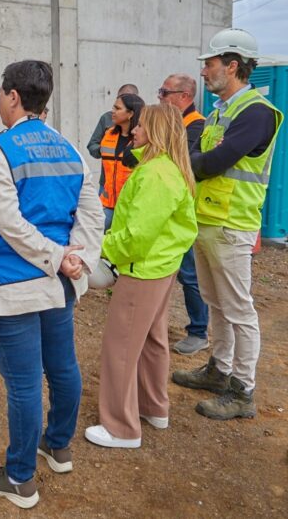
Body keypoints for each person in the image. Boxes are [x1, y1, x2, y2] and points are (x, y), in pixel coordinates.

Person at [0, 60, 103, 509]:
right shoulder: (71, 149)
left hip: (13, 285)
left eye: (0, 93)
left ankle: (21, 478)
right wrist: (77, 258)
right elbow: (92, 215)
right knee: (62, 367)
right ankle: (57, 446)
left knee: (23, 384)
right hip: (60, 285)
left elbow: (8, 222)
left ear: (13, 97)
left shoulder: (0, 148)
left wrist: (59, 257)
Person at [172, 28, 283, 420]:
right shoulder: (221, 110)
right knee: (216, 303)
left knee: (238, 310)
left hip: (232, 225)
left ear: (233, 65)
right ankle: (219, 371)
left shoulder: (256, 112)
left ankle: (242, 391)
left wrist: (187, 162)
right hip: (207, 221)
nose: (203, 72)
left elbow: (211, 162)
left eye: (210, 64)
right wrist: (194, 160)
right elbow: (199, 155)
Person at [85, 103, 198, 449]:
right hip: (160, 268)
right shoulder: (167, 169)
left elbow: (136, 236)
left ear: (156, 131)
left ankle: (121, 427)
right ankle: (153, 407)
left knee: (120, 347)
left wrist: (102, 249)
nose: (133, 130)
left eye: (140, 126)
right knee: (152, 341)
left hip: (142, 270)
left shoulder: (155, 175)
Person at [157, 74, 210, 355]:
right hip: (169, 206)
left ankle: (199, 331)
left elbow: (182, 163)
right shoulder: (174, 124)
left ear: (184, 97)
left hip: (185, 209)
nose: (161, 97)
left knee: (189, 273)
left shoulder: (196, 125)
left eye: (165, 93)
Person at [99, 93, 144, 229]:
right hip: (107, 204)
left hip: (130, 206)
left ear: (130, 114)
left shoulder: (141, 140)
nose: (113, 111)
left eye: (117, 108)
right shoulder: (108, 134)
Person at [87, 83, 139, 159]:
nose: (122, 101)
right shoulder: (107, 118)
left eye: (128, 98)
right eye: (120, 97)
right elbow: (93, 145)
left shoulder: (144, 121)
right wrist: (104, 149)